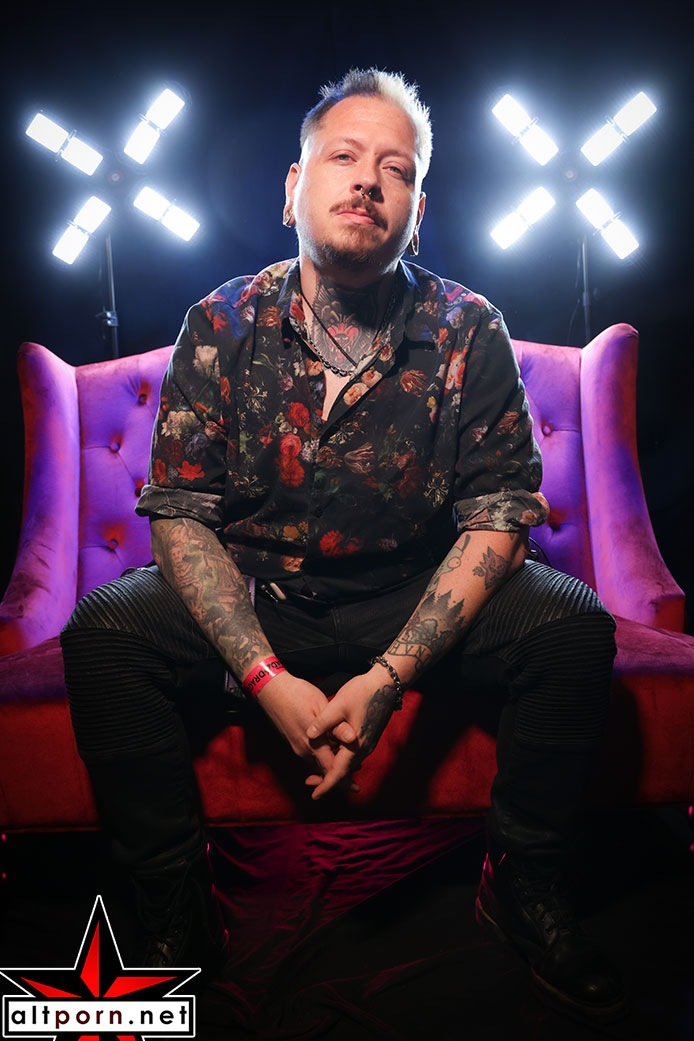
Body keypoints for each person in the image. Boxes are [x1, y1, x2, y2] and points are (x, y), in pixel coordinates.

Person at [60, 68, 626, 1020]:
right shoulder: (222, 321)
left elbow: (498, 516)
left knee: (572, 626)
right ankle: (173, 908)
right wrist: (263, 676)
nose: (367, 180)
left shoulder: (467, 328)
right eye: (344, 157)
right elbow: (181, 514)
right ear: (293, 188)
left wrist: (390, 676)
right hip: (259, 593)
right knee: (105, 633)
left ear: (416, 210)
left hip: (411, 589)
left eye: (395, 169)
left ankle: (524, 883)